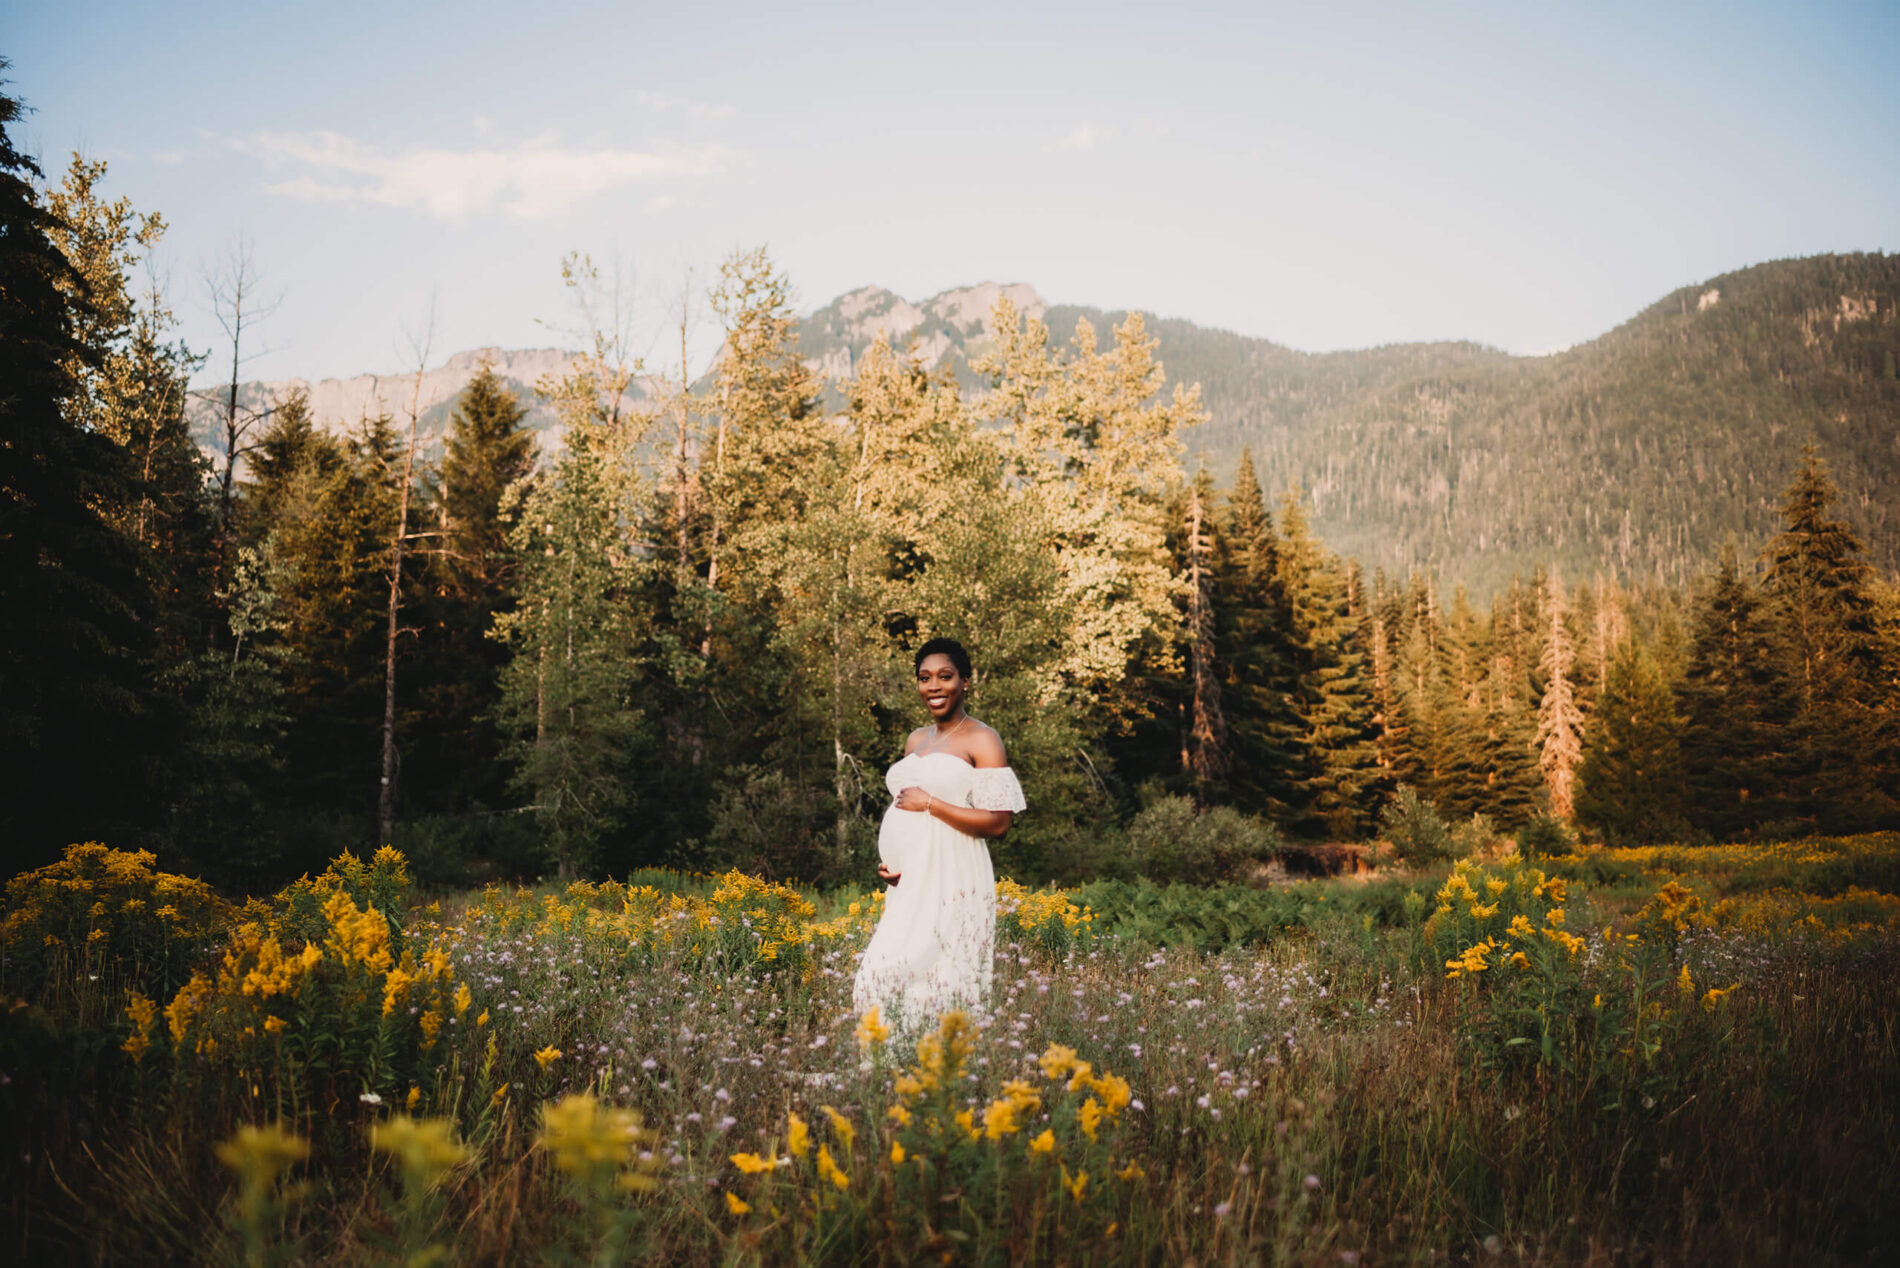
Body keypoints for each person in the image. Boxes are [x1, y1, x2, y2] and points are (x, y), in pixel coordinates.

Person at [851, 637, 1025, 1029]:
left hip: (955, 875)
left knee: (940, 983)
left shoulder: (983, 739)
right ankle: (887, 1076)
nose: (934, 687)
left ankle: (943, 1074)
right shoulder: (917, 739)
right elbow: (907, 812)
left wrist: (931, 802)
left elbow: (998, 824)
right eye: (924, 678)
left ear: (965, 681)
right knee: (877, 980)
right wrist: (894, 862)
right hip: (910, 882)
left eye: (945, 677)